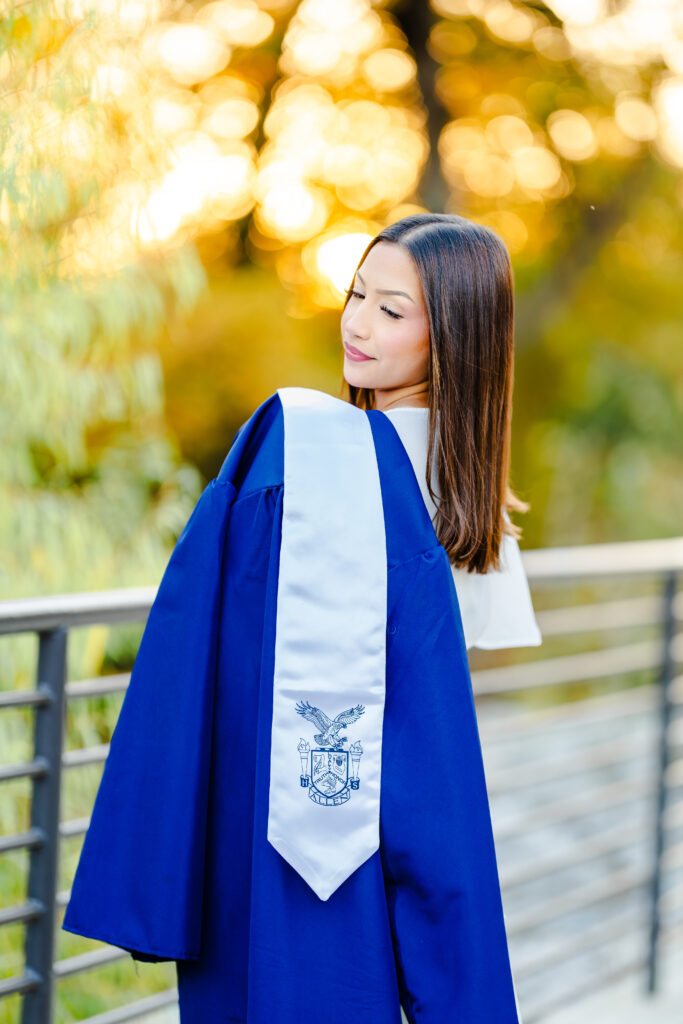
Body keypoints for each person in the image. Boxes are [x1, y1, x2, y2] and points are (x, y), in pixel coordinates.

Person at [62, 213, 541, 1024]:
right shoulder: (467, 486)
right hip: (409, 819)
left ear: (455, 335)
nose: (356, 323)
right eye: (356, 294)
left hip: (298, 831)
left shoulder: (318, 461)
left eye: (392, 311)